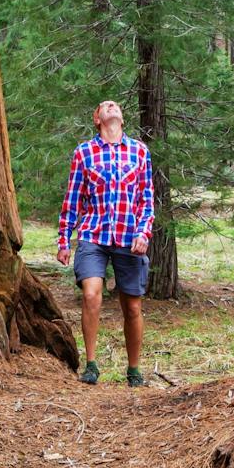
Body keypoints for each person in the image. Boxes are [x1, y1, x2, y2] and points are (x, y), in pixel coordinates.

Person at [54, 99, 154, 386]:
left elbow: (146, 200)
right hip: (92, 234)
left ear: (121, 118)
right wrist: (64, 239)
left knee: (132, 306)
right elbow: (72, 199)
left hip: (129, 237)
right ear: (97, 118)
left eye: (115, 105)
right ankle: (91, 365)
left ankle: (134, 370)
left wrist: (143, 233)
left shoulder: (139, 151)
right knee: (91, 294)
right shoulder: (84, 153)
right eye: (104, 106)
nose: (111, 105)